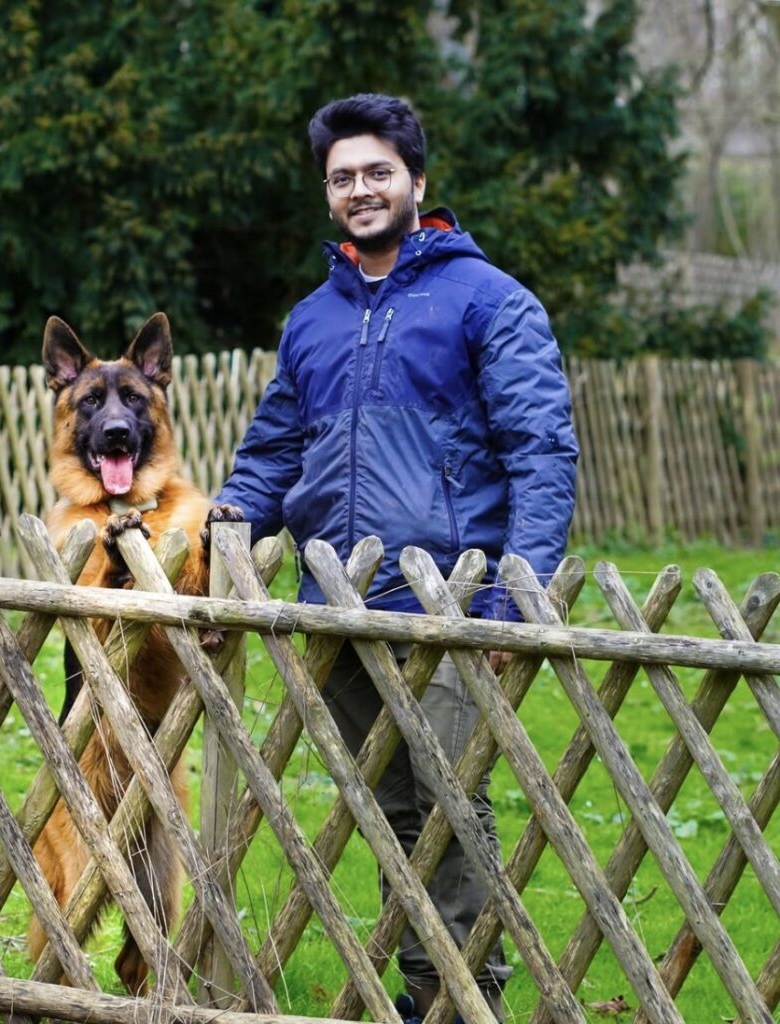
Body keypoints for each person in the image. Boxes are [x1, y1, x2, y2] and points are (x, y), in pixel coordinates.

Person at [213, 93, 578, 1023]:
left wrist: (515, 597)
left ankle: (468, 999)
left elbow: (541, 450)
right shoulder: (313, 320)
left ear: (418, 180)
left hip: (449, 599)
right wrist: (229, 515)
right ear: (327, 194)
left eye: (379, 172)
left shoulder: (488, 300)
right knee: (384, 806)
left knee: (450, 803)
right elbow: (272, 450)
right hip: (336, 599)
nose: (361, 189)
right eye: (343, 177)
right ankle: (423, 991)